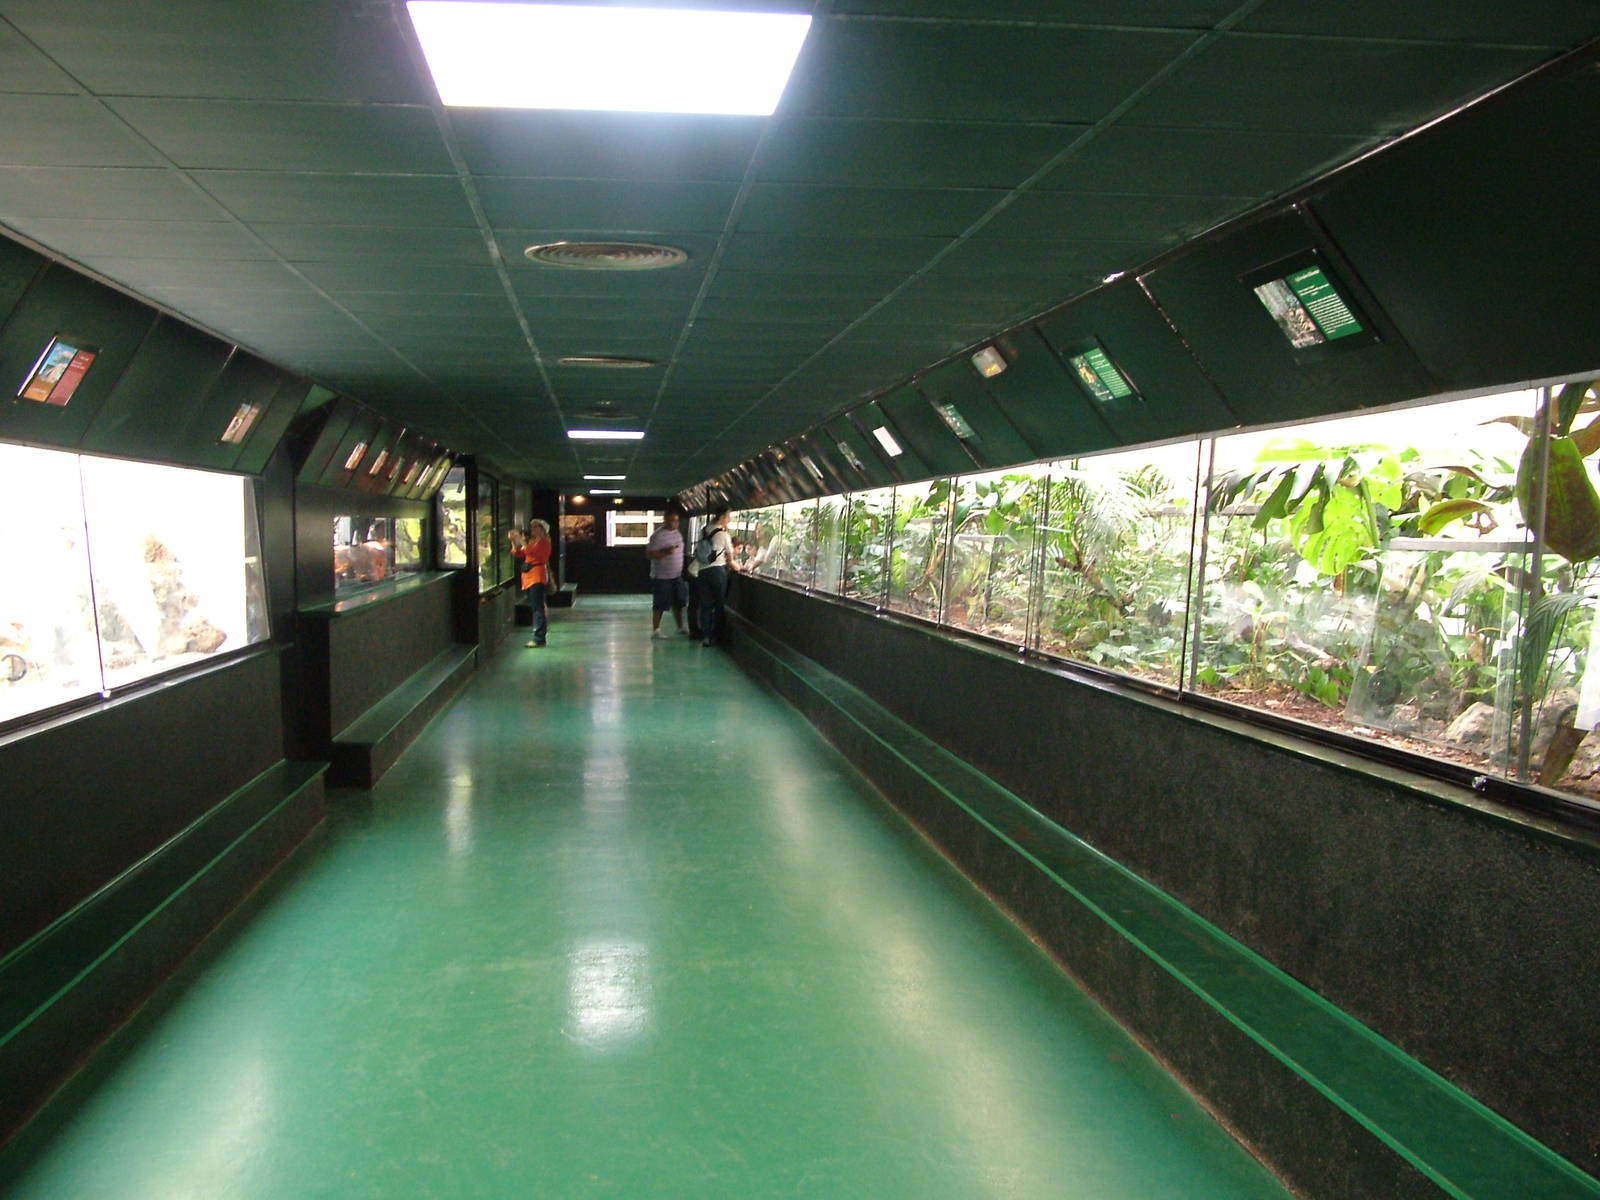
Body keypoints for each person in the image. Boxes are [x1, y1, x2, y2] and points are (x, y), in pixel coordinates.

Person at [693, 509, 737, 647]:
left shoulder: (703, 531)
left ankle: (706, 636)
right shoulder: (723, 535)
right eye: (728, 517)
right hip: (717, 571)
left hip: (702, 571)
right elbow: (730, 559)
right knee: (719, 604)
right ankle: (717, 636)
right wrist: (739, 568)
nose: (729, 520)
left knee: (705, 604)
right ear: (722, 517)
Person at [645, 509, 689, 639]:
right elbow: (649, 554)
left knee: (679, 602)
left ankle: (680, 627)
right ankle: (656, 629)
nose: (675, 523)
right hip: (661, 576)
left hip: (676, 575)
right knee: (660, 603)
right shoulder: (657, 536)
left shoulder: (678, 534)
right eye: (672, 520)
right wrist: (666, 552)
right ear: (665, 520)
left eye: (677, 520)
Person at [510, 519, 552, 648]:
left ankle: (539, 638)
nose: (532, 529)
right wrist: (514, 541)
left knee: (538, 608)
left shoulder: (544, 543)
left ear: (542, 530)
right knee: (535, 607)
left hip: (537, 577)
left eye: (535, 527)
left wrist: (522, 541)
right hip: (529, 578)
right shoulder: (533, 542)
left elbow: (533, 553)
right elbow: (519, 553)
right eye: (532, 527)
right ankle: (539, 635)